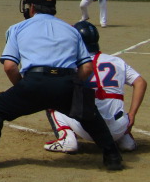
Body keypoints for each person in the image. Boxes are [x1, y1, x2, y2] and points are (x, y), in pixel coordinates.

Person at [0, 0, 123, 172]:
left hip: (34, 82)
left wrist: (24, 88)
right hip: (66, 82)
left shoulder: (17, 28)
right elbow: (87, 67)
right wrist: (73, 86)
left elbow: (10, 66)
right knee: (89, 114)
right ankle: (112, 156)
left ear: (32, 7)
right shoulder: (71, 30)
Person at [45, 20, 147, 153]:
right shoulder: (116, 61)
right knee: (113, 107)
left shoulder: (72, 64)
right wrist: (132, 114)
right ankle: (124, 139)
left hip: (89, 129)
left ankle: (66, 138)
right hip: (119, 127)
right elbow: (141, 82)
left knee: (52, 103)